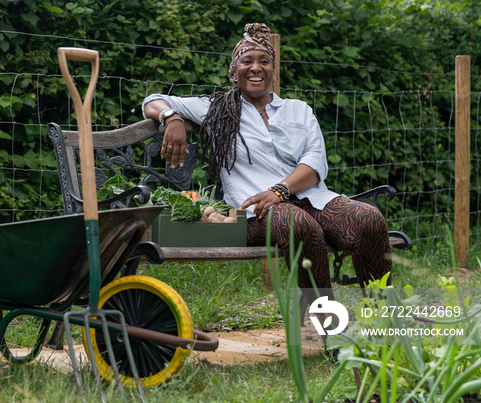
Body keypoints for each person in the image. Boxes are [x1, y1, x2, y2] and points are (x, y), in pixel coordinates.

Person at [142, 23, 392, 310]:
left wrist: (280, 190)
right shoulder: (216, 109)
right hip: (255, 214)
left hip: (312, 201)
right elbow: (152, 101)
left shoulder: (299, 110)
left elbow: (314, 162)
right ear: (234, 71)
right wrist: (172, 117)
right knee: (299, 224)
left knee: (368, 219)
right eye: (246, 61)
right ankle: (329, 325)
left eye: (264, 61)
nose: (255, 68)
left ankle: (382, 316)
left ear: (273, 70)